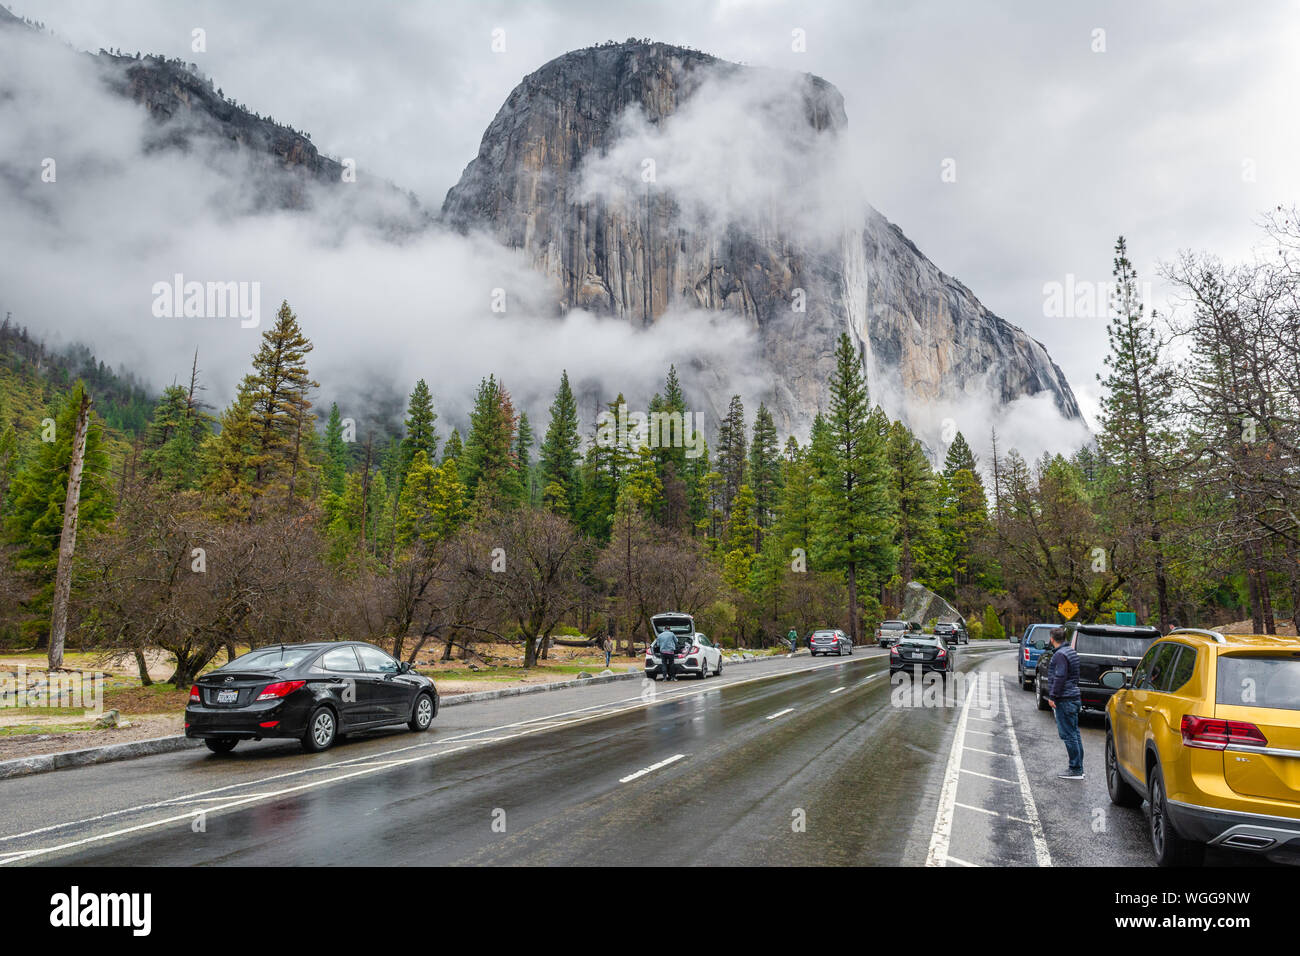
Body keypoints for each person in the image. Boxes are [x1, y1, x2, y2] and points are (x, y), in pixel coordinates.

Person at [1046, 626, 1084, 779]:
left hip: (1065, 698)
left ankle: (1075, 769)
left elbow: (1060, 677)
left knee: (1068, 734)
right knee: (1074, 733)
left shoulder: (1059, 655)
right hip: (1074, 696)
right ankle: (1079, 766)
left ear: (1052, 639)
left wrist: (1053, 696)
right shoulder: (1071, 652)